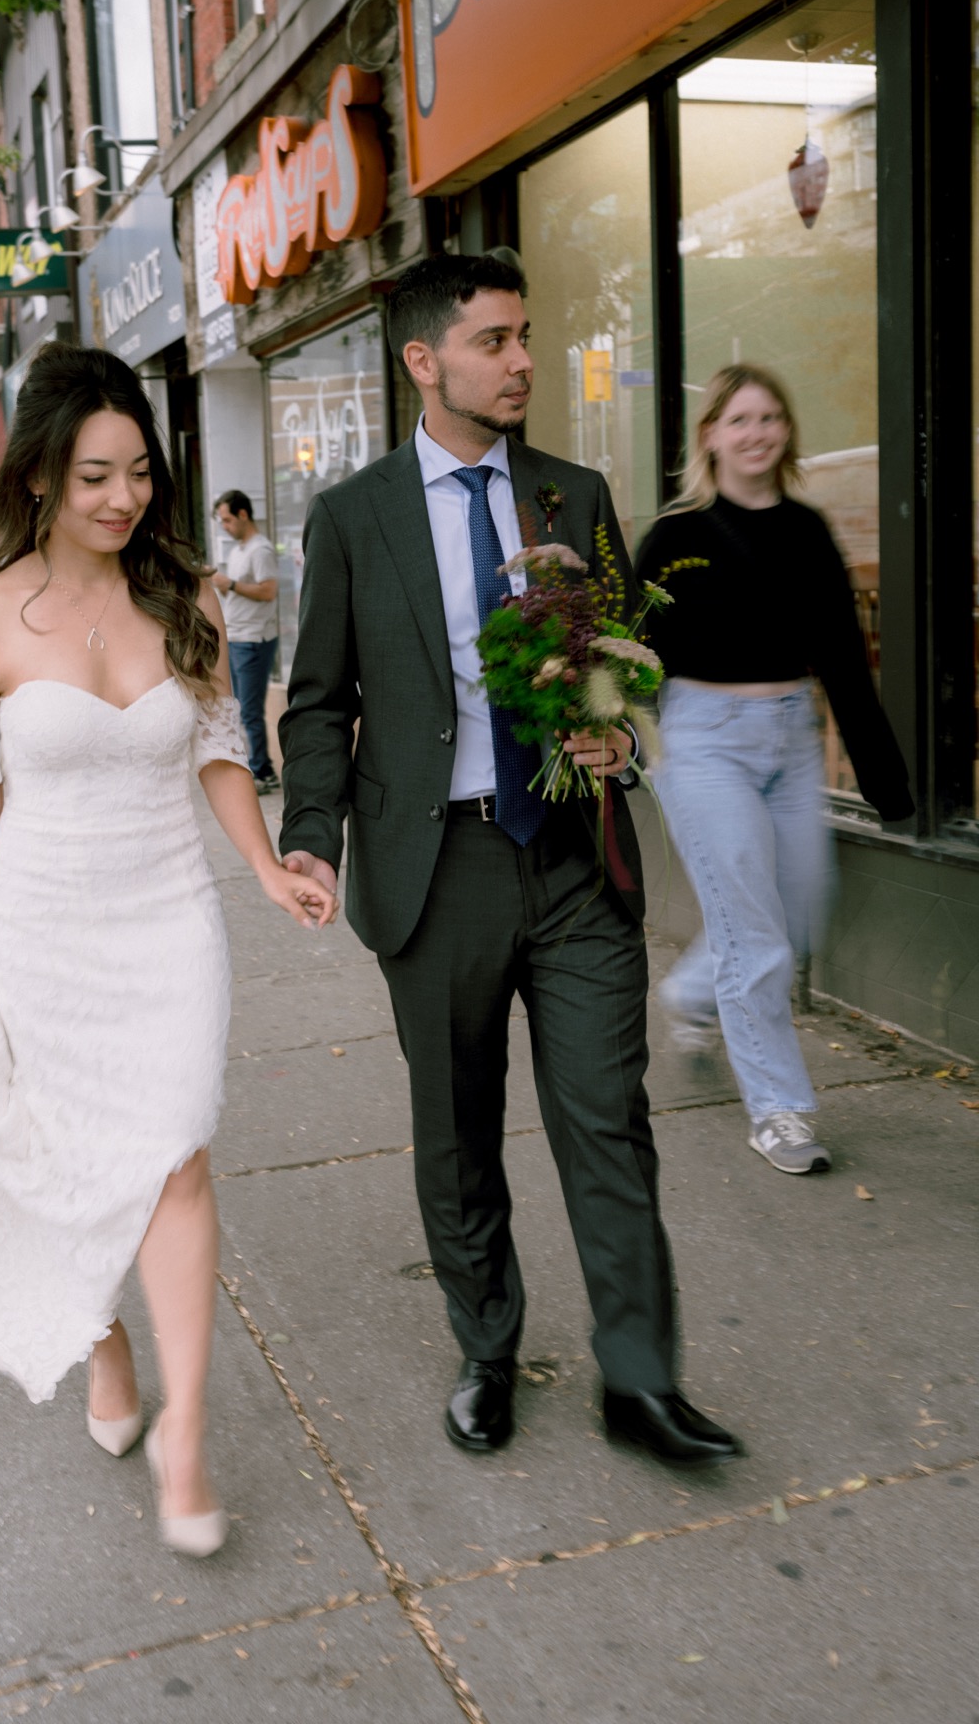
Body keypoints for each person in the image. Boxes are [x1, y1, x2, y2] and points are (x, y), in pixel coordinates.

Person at [0, 343, 337, 1559]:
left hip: (167, 920)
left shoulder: (187, 598)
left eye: (136, 476)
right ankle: (100, 1336)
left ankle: (186, 1433)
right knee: (65, 1159)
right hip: (39, 929)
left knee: (176, 1157)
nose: (121, 500)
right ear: (40, 484)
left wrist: (267, 865)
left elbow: (221, 752)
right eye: (92, 478)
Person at [279, 253, 740, 1468]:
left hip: (575, 861)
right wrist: (308, 841)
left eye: (525, 335)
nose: (522, 359)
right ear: (422, 361)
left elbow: (627, 659)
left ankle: (637, 1380)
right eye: (493, 340)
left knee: (608, 1120)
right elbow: (318, 702)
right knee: (457, 1131)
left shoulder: (571, 494)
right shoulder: (352, 517)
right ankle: (488, 1351)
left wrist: (612, 729)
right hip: (437, 873)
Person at [635, 364, 913, 1176]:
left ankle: (690, 996)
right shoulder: (676, 536)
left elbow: (845, 663)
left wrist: (886, 783)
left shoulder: (807, 530)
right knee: (755, 936)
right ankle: (780, 1112)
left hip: (791, 738)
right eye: (740, 419)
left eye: (771, 419)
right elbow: (629, 652)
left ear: (785, 433)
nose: (757, 432)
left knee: (798, 913)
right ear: (711, 435)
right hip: (704, 743)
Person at [210, 490, 280, 794]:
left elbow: (268, 591)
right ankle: (257, 768)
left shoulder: (260, 549)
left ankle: (263, 772)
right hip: (236, 635)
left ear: (243, 515)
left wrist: (231, 584)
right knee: (239, 709)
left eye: (227, 519)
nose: (223, 526)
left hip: (253, 639)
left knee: (249, 711)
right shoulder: (239, 550)